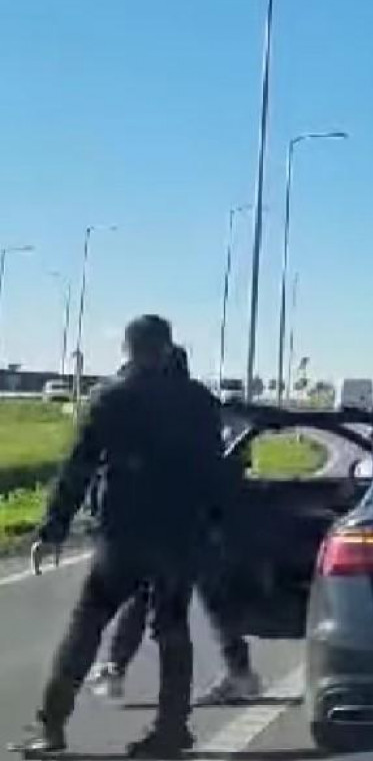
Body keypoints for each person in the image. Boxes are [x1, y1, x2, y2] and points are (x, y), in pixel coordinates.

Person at [21, 316, 228, 757]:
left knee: (87, 626)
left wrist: (54, 527)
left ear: (128, 349)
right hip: (180, 535)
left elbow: (79, 465)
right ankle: (172, 729)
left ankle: (51, 728)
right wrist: (216, 528)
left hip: (124, 534)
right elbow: (217, 474)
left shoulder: (112, 397)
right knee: (172, 630)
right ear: (169, 348)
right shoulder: (201, 402)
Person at [84, 346, 263, 706]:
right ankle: (240, 673)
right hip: (206, 522)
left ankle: (116, 669)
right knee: (212, 600)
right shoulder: (205, 407)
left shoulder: (157, 411)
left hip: (167, 524)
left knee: (146, 596)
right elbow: (230, 465)